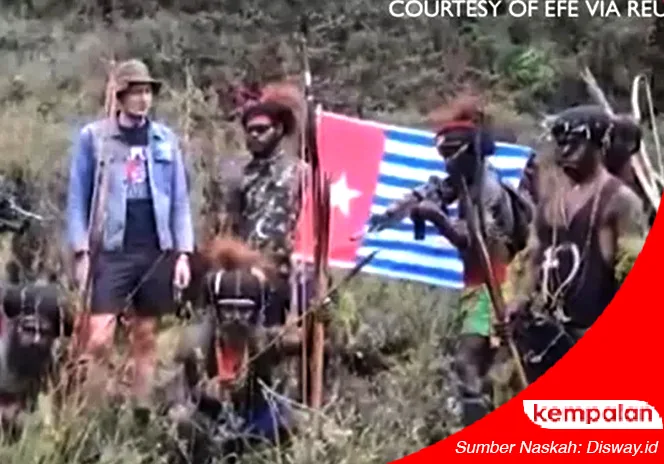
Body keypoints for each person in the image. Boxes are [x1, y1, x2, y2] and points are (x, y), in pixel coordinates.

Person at [370, 94, 532, 427]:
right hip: (477, 286)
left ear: (471, 151)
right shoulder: (465, 180)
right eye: (443, 155)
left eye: (452, 154)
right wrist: (396, 211)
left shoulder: (488, 189)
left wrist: (437, 219)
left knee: (468, 362)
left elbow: (475, 243)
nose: (447, 163)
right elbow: (432, 191)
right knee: (484, 368)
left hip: (495, 287)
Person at [66, 59, 194, 404]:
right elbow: (77, 197)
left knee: (146, 336)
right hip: (110, 250)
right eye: (135, 92)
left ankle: (141, 407)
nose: (143, 99)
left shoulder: (164, 139)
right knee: (98, 337)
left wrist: (183, 254)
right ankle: (94, 407)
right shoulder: (95, 138)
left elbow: (179, 198)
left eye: (147, 91)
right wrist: (81, 252)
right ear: (119, 97)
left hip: (155, 248)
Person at [506, 105, 647, 382]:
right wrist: (520, 299)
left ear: (598, 145)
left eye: (573, 144)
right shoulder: (550, 201)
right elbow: (534, 256)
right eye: (559, 144)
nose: (563, 152)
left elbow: (633, 267)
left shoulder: (619, 200)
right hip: (549, 333)